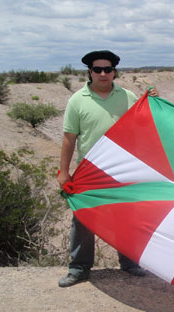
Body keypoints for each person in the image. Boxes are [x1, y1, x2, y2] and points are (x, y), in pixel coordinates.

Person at [57, 50, 158, 288]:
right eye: (97, 69)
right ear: (89, 72)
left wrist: (153, 101)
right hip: (89, 172)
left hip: (122, 170)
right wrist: (64, 172)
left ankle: (130, 262)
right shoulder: (77, 100)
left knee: (127, 216)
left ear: (114, 71)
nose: (103, 74)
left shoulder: (128, 97)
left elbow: (147, 123)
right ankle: (78, 268)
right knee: (83, 220)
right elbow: (69, 139)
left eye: (108, 69)